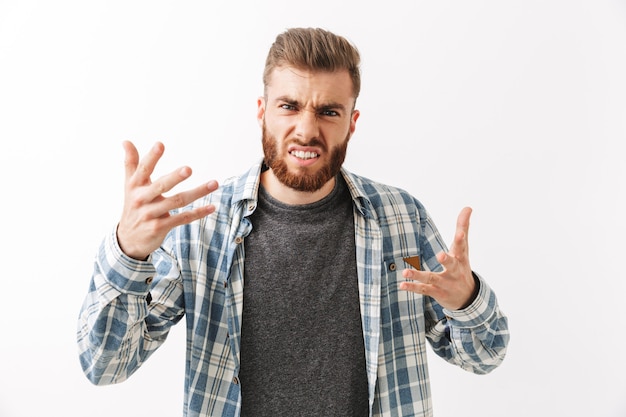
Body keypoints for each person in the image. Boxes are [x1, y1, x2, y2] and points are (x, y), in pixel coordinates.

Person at [77, 27, 509, 417]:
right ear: (262, 110)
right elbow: (105, 366)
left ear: (352, 123)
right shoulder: (200, 228)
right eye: (289, 106)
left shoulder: (402, 219)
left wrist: (466, 299)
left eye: (328, 112)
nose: (306, 130)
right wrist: (128, 252)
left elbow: (485, 356)